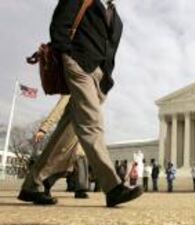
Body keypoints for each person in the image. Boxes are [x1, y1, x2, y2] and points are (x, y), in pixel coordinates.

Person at [18, 0, 143, 207]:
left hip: (100, 77)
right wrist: (69, 55)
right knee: (91, 123)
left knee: (67, 131)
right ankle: (113, 187)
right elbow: (59, 25)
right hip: (79, 65)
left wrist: (105, 78)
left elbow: (110, 50)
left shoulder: (116, 16)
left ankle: (33, 184)